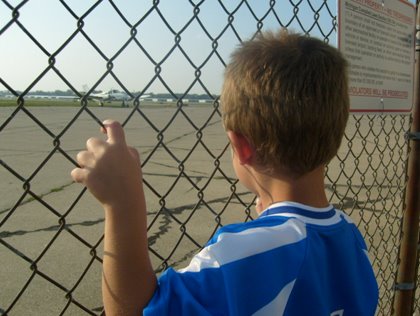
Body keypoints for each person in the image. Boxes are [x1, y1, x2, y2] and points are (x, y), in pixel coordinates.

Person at [71, 30, 379, 315]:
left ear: (241, 147)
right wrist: (274, 221)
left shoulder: (237, 258)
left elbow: (136, 310)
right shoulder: (353, 241)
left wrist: (123, 205)